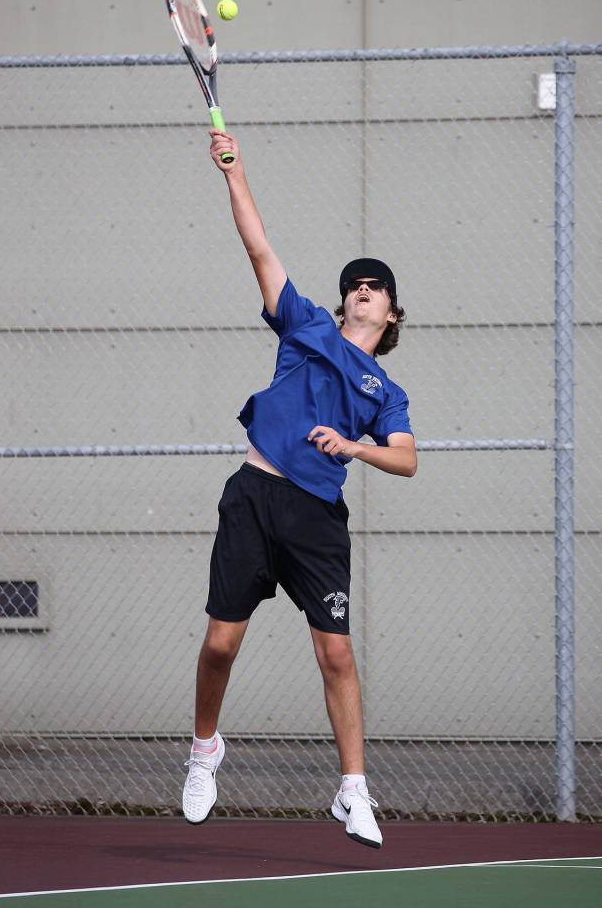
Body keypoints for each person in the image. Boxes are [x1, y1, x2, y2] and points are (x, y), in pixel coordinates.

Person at [182, 129, 417, 848]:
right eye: (355, 282)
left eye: (374, 286)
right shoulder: (306, 324)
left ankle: (353, 789)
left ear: (390, 314)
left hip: (315, 517)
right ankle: (204, 751)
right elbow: (258, 248)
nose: (361, 289)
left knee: (336, 655)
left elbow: (406, 460)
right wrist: (235, 174)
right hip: (254, 495)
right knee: (220, 646)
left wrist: (355, 447)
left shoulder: (386, 389)